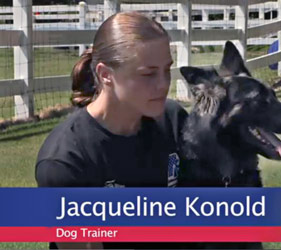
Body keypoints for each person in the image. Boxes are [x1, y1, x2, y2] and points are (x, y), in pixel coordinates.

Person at [35, 11, 188, 249]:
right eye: (148, 73)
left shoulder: (174, 119)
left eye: (167, 70)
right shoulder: (66, 160)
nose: (163, 84)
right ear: (106, 75)